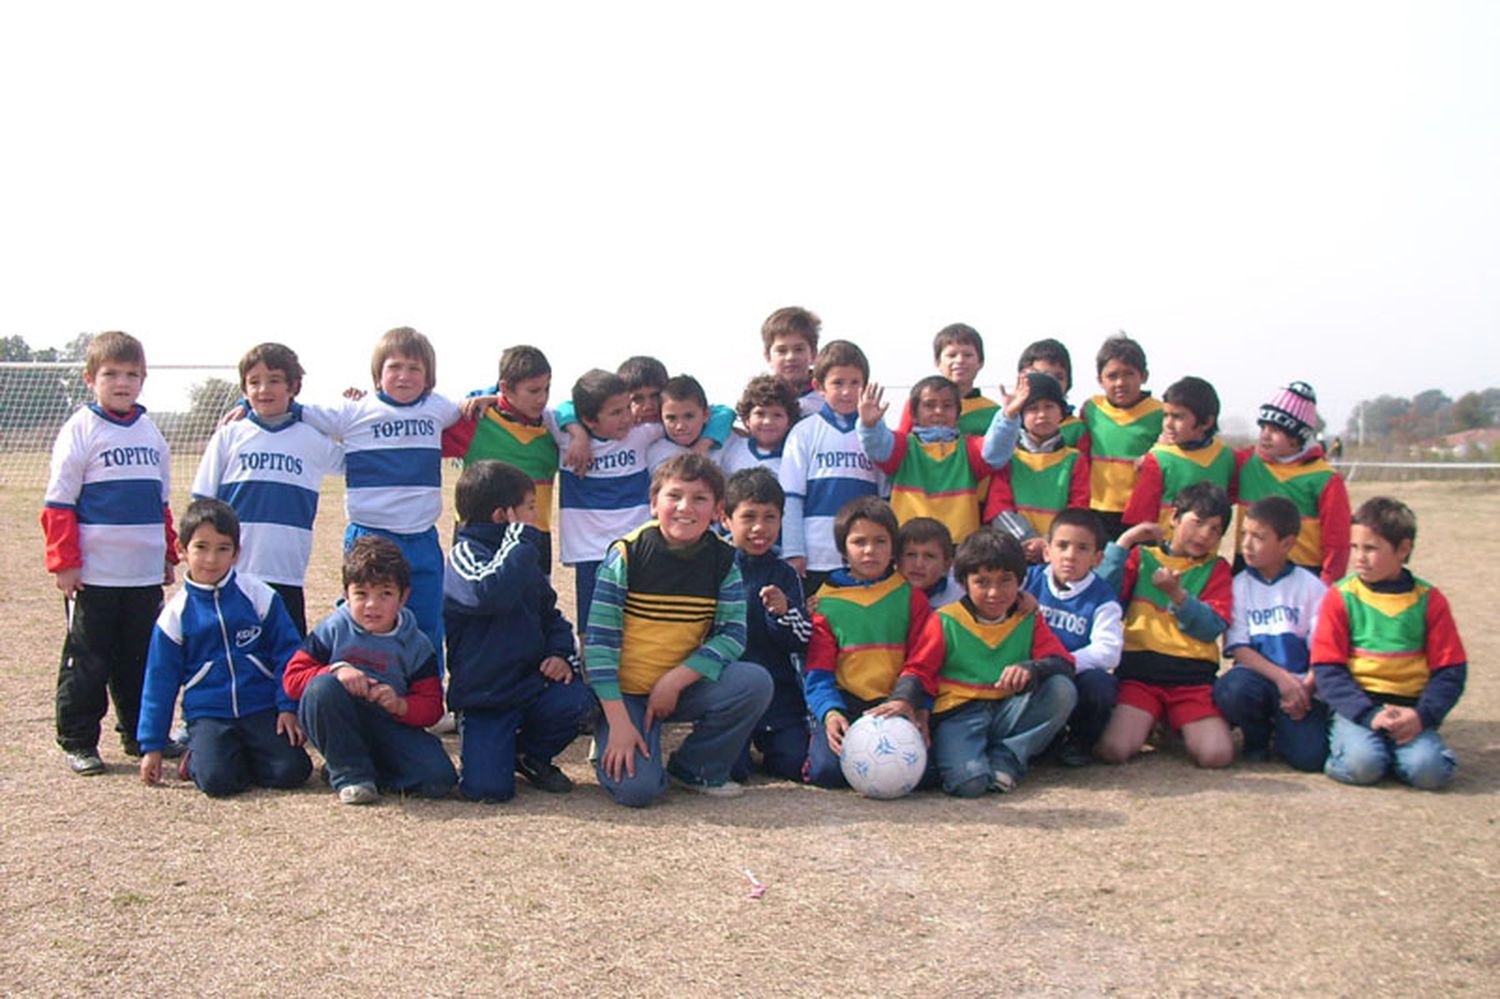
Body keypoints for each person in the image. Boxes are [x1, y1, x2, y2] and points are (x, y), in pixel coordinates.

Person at [583, 454, 773, 806]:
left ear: (718, 510)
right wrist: (620, 722)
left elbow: (732, 635)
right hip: (625, 693)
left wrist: (675, 681)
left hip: (678, 688)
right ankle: (609, 734)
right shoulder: (626, 554)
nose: (685, 507)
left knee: (754, 682)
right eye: (674, 496)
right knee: (638, 791)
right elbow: (598, 646)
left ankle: (696, 766)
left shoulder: (723, 560)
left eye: (699, 498)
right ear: (654, 504)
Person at [293, 327, 463, 687]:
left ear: (429, 376)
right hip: (370, 535)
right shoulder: (353, 411)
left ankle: (427, 698)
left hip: (421, 539)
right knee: (362, 619)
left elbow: (470, 406)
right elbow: (296, 411)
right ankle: (354, 688)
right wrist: (246, 406)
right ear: (378, 375)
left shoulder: (438, 408)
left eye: (415, 368)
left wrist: (482, 396)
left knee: (428, 620)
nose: (404, 376)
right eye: (394, 367)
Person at [41, 331, 179, 775]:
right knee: (88, 660)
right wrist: (65, 562)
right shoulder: (79, 430)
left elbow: (161, 503)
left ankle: (142, 735)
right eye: (111, 374)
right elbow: (59, 504)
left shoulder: (150, 432)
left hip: (141, 574)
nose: (122, 383)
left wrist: (166, 554)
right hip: (96, 575)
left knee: (139, 657)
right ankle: (79, 740)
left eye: (132, 375)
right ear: (90, 379)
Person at [443, 461, 596, 802]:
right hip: (486, 696)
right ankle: (493, 753)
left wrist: (559, 654)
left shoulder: (523, 555)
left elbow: (550, 615)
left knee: (580, 698)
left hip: (530, 686)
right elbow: (488, 593)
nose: (535, 516)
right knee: (487, 791)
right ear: (503, 515)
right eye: (530, 507)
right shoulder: (463, 555)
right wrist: (518, 541)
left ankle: (529, 754)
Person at [136, 499, 311, 796]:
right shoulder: (175, 614)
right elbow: (159, 681)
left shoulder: (259, 596)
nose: (211, 559)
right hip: (209, 712)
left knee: (293, 771)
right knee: (218, 782)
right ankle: (196, 758)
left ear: (236, 553)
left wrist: (287, 707)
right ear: (181, 549)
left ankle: (240, 753)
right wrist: (152, 745)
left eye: (222, 549)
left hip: (261, 706)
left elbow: (289, 655)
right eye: (201, 547)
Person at [284, 535, 458, 805]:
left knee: (439, 778)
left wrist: (400, 705)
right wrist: (337, 670)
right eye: (361, 594)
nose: (371, 605)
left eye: (385, 594)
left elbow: (432, 707)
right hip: (339, 719)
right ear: (346, 594)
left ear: (403, 597)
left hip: (388, 725)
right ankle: (350, 775)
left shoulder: (416, 644)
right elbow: (293, 679)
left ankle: (368, 770)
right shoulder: (333, 629)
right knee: (321, 688)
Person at [1312, 497, 1467, 790]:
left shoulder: (1428, 600)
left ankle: (1403, 755)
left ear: (1403, 549)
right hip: (1360, 708)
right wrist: (1369, 714)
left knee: (1429, 772)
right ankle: (1355, 753)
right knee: (1363, 766)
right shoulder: (1341, 596)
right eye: (1355, 547)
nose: (1359, 557)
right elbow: (1327, 668)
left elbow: (1451, 671)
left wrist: (1422, 715)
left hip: (1411, 709)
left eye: (1370, 549)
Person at [909, 528, 1076, 796]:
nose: (994, 592)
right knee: (969, 785)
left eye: (1005, 581)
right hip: (961, 713)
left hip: (1008, 709)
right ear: (963, 582)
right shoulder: (946, 620)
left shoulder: (1027, 617)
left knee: (1061, 689)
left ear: (1021, 581)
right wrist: (904, 700)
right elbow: (918, 669)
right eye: (982, 582)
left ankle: (1005, 759)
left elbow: (1063, 662)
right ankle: (968, 758)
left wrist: (1030, 668)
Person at [191, 342, 342, 634]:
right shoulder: (229, 436)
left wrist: (356, 412)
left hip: (286, 570)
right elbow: (203, 503)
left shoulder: (311, 439)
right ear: (244, 390)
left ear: (293, 386)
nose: (264, 390)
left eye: (274, 381)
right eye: (254, 382)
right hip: (234, 570)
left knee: (287, 659)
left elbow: (354, 461)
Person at [802, 496, 944, 789]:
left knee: (928, 776)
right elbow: (818, 671)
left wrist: (916, 704)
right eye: (859, 542)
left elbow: (925, 658)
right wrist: (830, 713)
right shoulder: (827, 602)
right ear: (843, 549)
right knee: (826, 773)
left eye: (880, 541)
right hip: (848, 704)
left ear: (893, 548)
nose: (870, 551)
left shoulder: (909, 596)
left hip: (896, 702)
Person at [1095, 481, 1235, 768]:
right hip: (1140, 677)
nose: (1205, 535)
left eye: (1215, 530)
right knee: (1114, 750)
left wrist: (1177, 595)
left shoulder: (1217, 569)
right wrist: (1124, 542)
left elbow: (1211, 627)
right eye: (1198, 523)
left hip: (1192, 680)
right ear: (1174, 517)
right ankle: (1157, 722)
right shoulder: (1142, 557)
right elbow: (1103, 597)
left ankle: (1171, 723)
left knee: (1216, 756)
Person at [1211, 496, 1329, 771]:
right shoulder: (1238, 586)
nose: (1247, 545)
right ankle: (1257, 738)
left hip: (1303, 689)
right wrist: (1281, 679)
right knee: (1231, 689)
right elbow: (1239, 648)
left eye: (1259, 537)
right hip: (1260, 680)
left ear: (1287, 544)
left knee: (1309, 758)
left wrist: (1304, 688)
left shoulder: (1312, 588)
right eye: (1244, 535)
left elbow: (1325, 651)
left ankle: (1287, 729)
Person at [721, 468, 813, 782]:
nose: (760, 528)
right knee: (733, 771)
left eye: (770, 517)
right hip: (728, 693)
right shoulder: (714, 565)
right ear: (725, 519)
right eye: (748, 517)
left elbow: (802, 639)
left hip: (779, 695)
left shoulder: (785, 573)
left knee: (795, 764)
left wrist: (782, 613)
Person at [442, 344, 562, 571]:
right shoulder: (475, 421)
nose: (542, 398)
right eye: (534, 391)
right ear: (505, 388)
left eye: (547, 389)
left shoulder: (554, 431)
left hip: (534, 541)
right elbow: (418, 435)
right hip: (478, 543)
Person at [779, 340, 884, 592]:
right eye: (838, 383)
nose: (847, 392)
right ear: (819, 387)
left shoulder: (877, 435)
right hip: (816, 555)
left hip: (864, 557)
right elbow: (791, 497)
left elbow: (885, 497)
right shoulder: (803, 432)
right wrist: (793, 549)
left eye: (854, 383)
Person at [1023, 508, 1123, 766]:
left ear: (1097, 558)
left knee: (1100, 685)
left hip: (1074, 673)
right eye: (1062, 545)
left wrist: (1061, 662)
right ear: (1047, 550)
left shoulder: (1103, 598)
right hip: (1028, 669)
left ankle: (1080, 742)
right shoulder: (1027, 581)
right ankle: (1041, 741)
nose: (1070, 556)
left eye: (1082, 548)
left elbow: (1108, 651)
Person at [1233, 381, 1350, 584]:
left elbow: (1337, 542)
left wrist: (1327, 588)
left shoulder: (1326, 479)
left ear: (1298, 438)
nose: (1265, 435)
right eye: (1263, 427)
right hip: (1248, 575)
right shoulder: (1246, 463)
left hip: (1303, 580)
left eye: (1276, 430)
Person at [859, 375, 999, 545]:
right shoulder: (902, 447)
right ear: (914, 415)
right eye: (929, 405)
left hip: (960, 547)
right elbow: (877, 446)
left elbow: (997, 449)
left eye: (947, 406)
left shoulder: (971, 449)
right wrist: (870, 426)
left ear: (958, 414)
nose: (938, 411)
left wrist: (1009, 417)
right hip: (909, 545)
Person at [982, 372, 1090, 563]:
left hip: (1059, 554)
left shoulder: (1074, 459)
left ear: (1061, 412)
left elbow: (1078, 509)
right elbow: (998, 509)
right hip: (1016, 551)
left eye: (1049, 407)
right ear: (1021, 415)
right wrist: (1029, 540)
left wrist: (1050, 543)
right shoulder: (1009, 458)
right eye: (1032, 408)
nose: (1042, 415)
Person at [1122, 376, 1236, 536]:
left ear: (1207, 422)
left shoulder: (1225, 456)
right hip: (1164, 554)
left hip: (1207, 556)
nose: (1168, 424)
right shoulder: (1159, 459)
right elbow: (1141, 516)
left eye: (1178, 417)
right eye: (1165, 415)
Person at [1078, 333, 1163, 540]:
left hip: (1139, 511)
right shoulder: (1092, 409)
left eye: (1129, 374)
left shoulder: (1160, 413)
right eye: (1112, 375)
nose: (1120, 382)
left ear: (1144, 375)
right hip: (1097, 507)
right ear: (1100, 379)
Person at [895, 323, 999, 436]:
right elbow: (901, 445)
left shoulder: (994, 413)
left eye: (968, 355)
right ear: (937, 362)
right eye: (952, 355)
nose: (960, 360)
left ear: (980, 363)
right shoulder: (918, 403)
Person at [720, 374, 800, 478]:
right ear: (747, 419)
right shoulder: (733, 448)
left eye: (777, 415)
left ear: (789, 422)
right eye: (760, 414)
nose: (768, 421)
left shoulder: (794, 458)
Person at [1017, 338, 1087, 448]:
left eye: (1059, 377)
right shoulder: (1010, 426)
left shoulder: (1076, 429)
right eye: (1043, 376)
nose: (1050, 383)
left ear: (1068, 382)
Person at [760, 305, 824, 418]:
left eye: (799, 349)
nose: (790, 357)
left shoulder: (829, 399)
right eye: (782, 351)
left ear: (814, 354)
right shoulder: (760, 402)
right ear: (768, 356)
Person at [897, 517, 962, 609]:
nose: (918, 564)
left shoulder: (959, 598)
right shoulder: (885, 597)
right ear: (897, 560)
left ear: (946, 566)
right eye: (910, 555)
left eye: (929, 556)